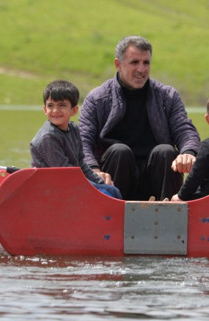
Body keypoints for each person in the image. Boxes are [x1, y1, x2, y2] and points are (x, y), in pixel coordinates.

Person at [79, 35, 200, 200]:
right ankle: (113, 216)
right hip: (115, 176)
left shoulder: (168, 96)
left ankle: (170, 215)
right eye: (134, 62)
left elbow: (184, 129)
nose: (141, 69)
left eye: (146, 63)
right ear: (118, 65)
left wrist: (188, 152)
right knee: (119, 151)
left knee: (165, 151)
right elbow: (83, 140)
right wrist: (93, 169)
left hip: (157, 175)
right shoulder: (97, 99)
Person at [31, 80, 122, 199]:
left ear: (73, 110)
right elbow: (64, 173)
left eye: (62, 105)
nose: (55, 111)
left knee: (112, 190)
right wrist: (94, 187)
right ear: (44, 109)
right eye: (50, 106)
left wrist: (99, 182)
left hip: (71, 183)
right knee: (105, 194)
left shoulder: (73, 129)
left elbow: (81, 163)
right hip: (52, 189)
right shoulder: (48, 137)